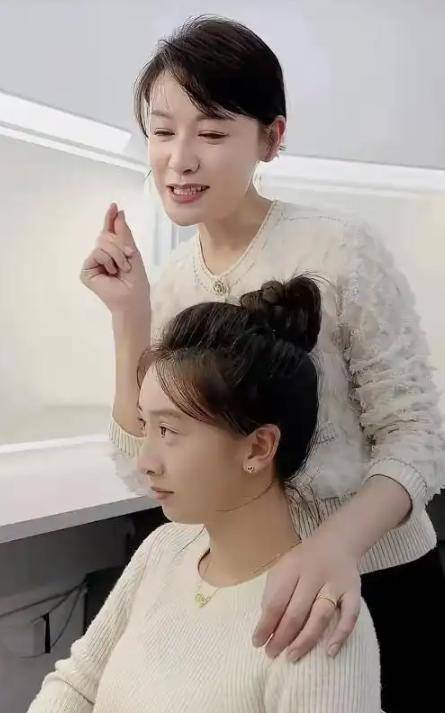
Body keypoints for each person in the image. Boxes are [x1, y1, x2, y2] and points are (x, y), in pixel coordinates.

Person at [79, 15, 444, 713]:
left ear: (271, 138)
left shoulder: (339, 250)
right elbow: (142, 464)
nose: (180, 159)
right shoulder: (172, 286)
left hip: (377, 575)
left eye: (212, 134)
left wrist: (334, 545)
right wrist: (130, 318)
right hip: (253, 587)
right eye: (162, 131)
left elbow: (417, 437)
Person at [28, 276, 381, 712]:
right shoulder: (163, 550)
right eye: (146, 426)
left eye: (168, 431)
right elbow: (77, 685)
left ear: (258, 448)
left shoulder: (312, 620)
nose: (145, 461)